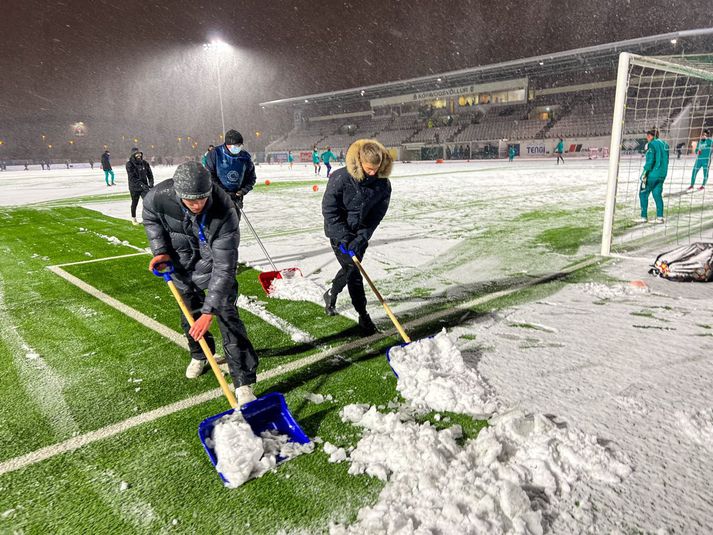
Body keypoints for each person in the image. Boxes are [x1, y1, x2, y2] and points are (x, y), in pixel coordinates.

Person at [142, 161, 259, 406]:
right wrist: (161, 251)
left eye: (201, 199)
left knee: (228, 318)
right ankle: (200, 355)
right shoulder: (159, 197)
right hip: (180, 265)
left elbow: (225, 266)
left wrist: (210, 311)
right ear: (178, 193)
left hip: (214, 266)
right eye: (190, 200)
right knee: (190, 317)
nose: (196, 205)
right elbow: (151, 218)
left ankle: (243, 382)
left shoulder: (226, 210)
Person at [321, 139, 392, 334]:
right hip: (339, 233)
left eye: (376, 169)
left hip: (360, 235)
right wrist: (344, 236)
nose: (372, 173)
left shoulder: (383, 185)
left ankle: (331, 293)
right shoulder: (340, 178)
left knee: (349, 269)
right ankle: (363, 315)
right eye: (369, 169)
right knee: (353, 271)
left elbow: (376, 216)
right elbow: (329, 210)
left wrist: (361, 237)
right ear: (360, 162)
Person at [204, 129, 257, 221]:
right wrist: (224, 192)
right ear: (227, 145)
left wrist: (242, 191)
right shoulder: (215, 154)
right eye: (236, 146)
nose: (238, 148)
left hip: (236, 198)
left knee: (233, 224)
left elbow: (251, 178)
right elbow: (210, 176)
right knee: (217, 224)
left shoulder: (245, 157)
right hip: (217, 197)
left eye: (240, 145)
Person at [638, 128, 669, 224]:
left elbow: (650, 160)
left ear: (650, 136)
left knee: (643, 193)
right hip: (662, 174)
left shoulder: (651, 144)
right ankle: (659, 217)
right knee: (657, 195)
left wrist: (644, 173)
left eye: (648, 136)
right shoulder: (665, 144)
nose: (647, 138)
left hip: (652, 174)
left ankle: (643, 217)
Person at [126, 149, 154, 225]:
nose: (139, 155)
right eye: (136, 154)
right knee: (135, 202)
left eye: (139, 154)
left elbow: (150, 174)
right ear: (133, 155)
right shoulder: (129, 164)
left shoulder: (145, 163)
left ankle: (147, 218)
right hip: (134, 187)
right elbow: (132, 177)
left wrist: (151, 183)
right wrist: (141, 184)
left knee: (148, 202)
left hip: (144, 187)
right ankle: (133, 218)